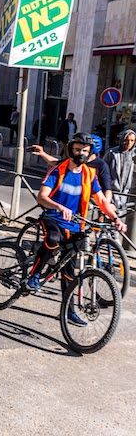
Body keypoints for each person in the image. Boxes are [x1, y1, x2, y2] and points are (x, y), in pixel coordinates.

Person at [26, 132, 126, 326]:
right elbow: (42, 197)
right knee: (53, 240)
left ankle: (68, 311)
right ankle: (34, 275)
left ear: (90, 153)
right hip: (53, 218)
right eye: (77, 150)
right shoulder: (58, 171)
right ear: (70, 150)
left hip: (76, 224)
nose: (81, 154)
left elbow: (102, 201)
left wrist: (115, 219)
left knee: (70, 271)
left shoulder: (89, 175)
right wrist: (59, 207)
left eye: (85, 151)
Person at [104, 129, 136, 213]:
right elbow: (103, 170)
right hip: (112, 190)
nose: (129, 143)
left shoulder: (134, 156)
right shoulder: (112, 153)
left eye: (132, 140)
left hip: (127, 192)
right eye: (127, 140)